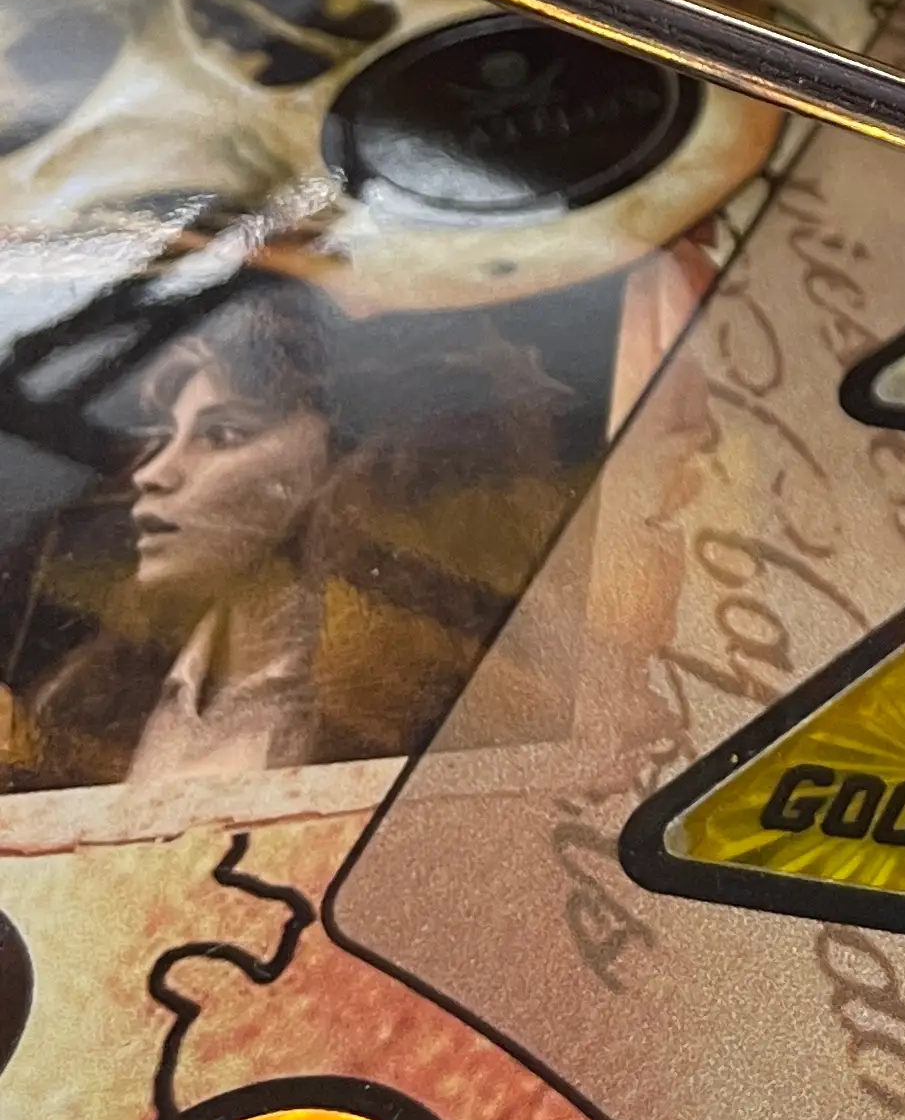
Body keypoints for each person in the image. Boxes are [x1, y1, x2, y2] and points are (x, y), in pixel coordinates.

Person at [2, 281, 576, 791]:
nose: (154, 472)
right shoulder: (92, 694)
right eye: (166, 436)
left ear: (338, 461)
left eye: (222, 434)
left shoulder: (407, 691)